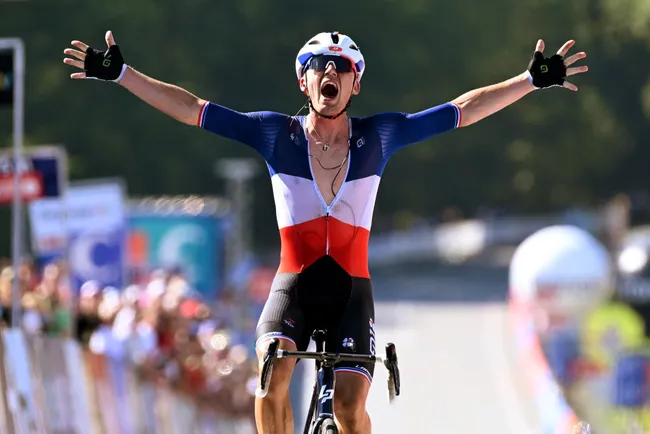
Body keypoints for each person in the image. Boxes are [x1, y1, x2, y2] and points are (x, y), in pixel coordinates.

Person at [63, 30, 588, 434]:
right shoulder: (275, 134)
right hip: (293, 286)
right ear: (304, 81)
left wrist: (529, 81)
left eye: (342, 68)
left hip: (351, 294)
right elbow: (191, 108)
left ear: (355, 83)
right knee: (270, 376)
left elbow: (463, 110)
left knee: (349, 409)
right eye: (319, 67)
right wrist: (123, 74)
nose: (329, 74)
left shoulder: (381, 135)